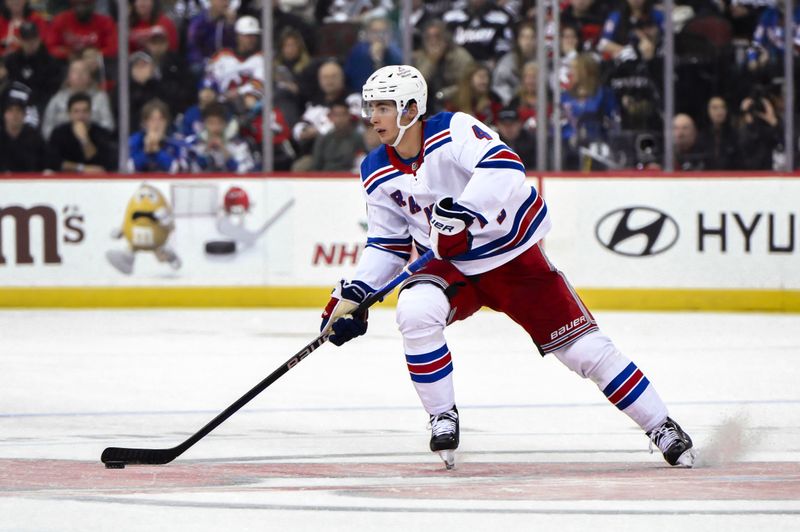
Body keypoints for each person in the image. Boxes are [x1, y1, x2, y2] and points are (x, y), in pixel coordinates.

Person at [318, 64, 696, 470]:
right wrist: (355, 291)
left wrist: (463, 212)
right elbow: (388, 242)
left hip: (510, 256)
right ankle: (441, 415)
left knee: (584, 351)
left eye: (383, 107)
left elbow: (505, 166)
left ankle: (661, 425)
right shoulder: (374, 168)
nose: (372, 116)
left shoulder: (454, 129)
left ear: (411, 108)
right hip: (450, 266)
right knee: (414, 311)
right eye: (370, 106)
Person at [41, 57, 114, 140]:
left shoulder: (101, 98)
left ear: (90, 76)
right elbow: (47, 128)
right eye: (75, 71)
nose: (79, 75)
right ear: (68, 76)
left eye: (84, 71)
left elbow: (108, 126)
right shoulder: (57, 99)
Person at [45, 91, 116, 173]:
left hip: (94, 181)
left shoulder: (101, 133)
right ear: (69, 113)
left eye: (85, 111)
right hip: (64, 180)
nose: (81, 116)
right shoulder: (58, 133)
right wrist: (81, 168)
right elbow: (54, 162)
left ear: (90, 113)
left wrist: (84, 140)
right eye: (76, 111)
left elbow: (101, 165)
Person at [185, 100, 254, 172]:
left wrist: (224, 150)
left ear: (225, 124)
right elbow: (193, 173)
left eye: (219, 123)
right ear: (204, 124)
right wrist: (206, 150)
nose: (215, 127)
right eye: (211, 123)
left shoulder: (239, 146)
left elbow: (243, 173)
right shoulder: (196, 145)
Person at [46, 0, 117, 61]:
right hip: (66, 63)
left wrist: (98, 54)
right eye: (77, 4)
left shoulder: (106, 22)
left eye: (85, 4)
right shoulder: (61, 20)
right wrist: (67, 54)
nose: (80, 8)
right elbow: (51, 47)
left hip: (96, 63)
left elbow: (113, 48)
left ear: (93, 5)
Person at [128, 98, 186, 172]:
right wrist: (146, 151)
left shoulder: (176, 141)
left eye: (161, 119)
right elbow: (129, 168)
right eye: (152, 119)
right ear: (145, 123)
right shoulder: (135, 140)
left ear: (166, 122)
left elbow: (180, 170)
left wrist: (157, 151)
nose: (157, 124)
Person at [310, 98, 365, 171]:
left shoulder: (358, 138)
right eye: (336, 115)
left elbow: (362, 159)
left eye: (343, 115)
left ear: (349, 116)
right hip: (325, 176)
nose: (340, 119)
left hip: (349, 177)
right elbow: (317, 164)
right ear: (330, 117)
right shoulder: (324, 138)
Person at [0, 91, 46, 172]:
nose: (15, 115)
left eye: (18, 110)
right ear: (4, 114)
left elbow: (45, 161)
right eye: (10, 110)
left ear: (24, 115)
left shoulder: (34, 138)